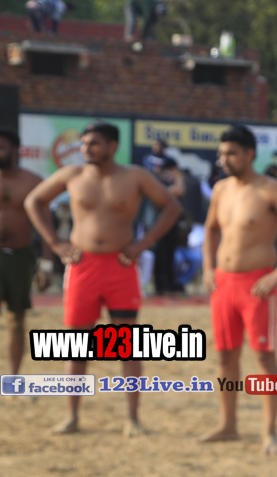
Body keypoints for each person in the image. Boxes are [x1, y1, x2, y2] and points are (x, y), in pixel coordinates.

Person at [24, 122, 182, 436]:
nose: (86, 149)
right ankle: (72, 416)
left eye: (93, 143)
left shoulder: (134, 176)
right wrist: (55, 242)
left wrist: (144, 243)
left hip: (120, 265)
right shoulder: (73, 175)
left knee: (127, 344)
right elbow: (34, 202)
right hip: (82, 265)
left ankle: (132, 418)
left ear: (112, 146)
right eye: (84, 143)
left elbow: (171, 207)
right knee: (76, 344)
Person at [199, 125, 277, 455]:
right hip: (223, 283)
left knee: (264, 356)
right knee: (225, 354)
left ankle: (270, 431)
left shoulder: (270, 189)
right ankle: (228, 424)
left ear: (250, 154)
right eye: (221, 153)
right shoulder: (221, 189)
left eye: (231, 153)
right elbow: (210, 229)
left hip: (257, 286)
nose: (224, 159)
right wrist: (207, 268)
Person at [0, 129, 51, 374]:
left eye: (1, 147)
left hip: (20, 256)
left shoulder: (33, 182)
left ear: (15, 150)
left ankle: (12, 377)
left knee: (16, 318)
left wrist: (47, 265)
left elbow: (45, 225)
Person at [152, 158, 188, 295]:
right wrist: (178, 177)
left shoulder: (169, 181)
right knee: (160, 255)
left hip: (172, 225)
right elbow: (178, 191)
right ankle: (160, 285)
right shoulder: (159, 182)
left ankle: (169, 284)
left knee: (170, 255)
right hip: (160, 224)